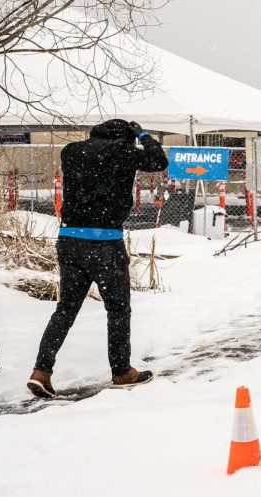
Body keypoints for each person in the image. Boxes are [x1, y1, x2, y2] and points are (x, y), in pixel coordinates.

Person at [27, 119, 168, 398]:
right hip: (105, 243)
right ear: (125, 139)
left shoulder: (71, 151)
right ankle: (121, 371)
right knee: (117, 310)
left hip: (69, 241)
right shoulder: (122, 152)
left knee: (66, 309)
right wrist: (144, 135)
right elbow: (158, 160)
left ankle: (41, 371)